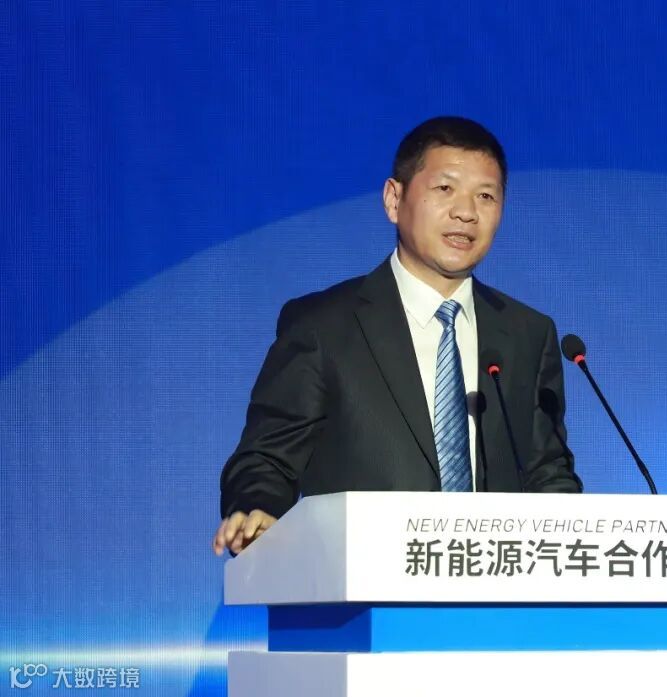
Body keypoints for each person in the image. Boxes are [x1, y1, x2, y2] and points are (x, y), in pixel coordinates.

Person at [213, 116, 582, 556]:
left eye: (486, 196)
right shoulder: (323, 326)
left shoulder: (528, 334)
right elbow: (267, 459)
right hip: (363, 580)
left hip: (497, 587)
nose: (466, 212)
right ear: (394, 199)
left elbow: (547, 473)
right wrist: (257, 509)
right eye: (445, 188)